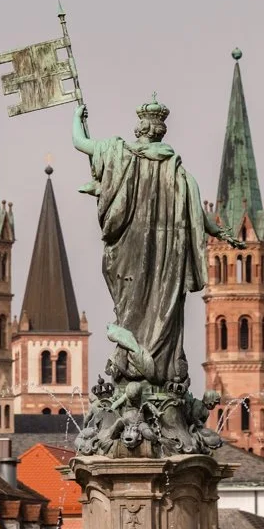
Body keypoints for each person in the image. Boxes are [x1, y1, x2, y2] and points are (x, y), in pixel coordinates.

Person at [73, 99, 242, 391]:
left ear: (141, 129)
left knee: (128, 306)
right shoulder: (180, 174)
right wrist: (224, 234)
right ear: (161, 132)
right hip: (168, 263)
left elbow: (80, 142)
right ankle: (160, 365)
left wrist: (77, 116)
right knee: (164, 310)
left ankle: (131, 364)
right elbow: (200, 217)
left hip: (129, 252)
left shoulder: (119, 153)